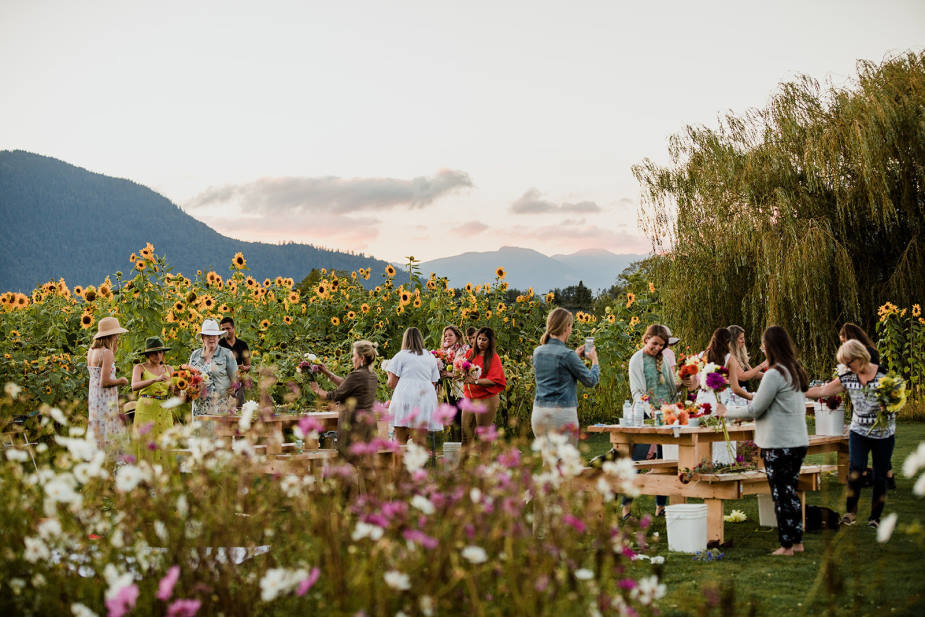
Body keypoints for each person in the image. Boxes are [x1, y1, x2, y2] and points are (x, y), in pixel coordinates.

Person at [717, 325, 810, 556]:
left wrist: (727, 412)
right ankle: (797, 541)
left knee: (780, 494)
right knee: (791, 492)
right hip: (798, 441)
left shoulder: (774, 374)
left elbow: (756, 409)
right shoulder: (794, 370)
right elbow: (774, 406)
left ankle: (786, 545)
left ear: (769, 347)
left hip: (779, 443)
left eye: (763, 345)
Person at [806, 340, 894, 528]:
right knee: (855, 469)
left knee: (880, 475)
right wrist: (797, 390)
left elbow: (895, 403)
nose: (846, 367)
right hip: (859, 431)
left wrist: (887, 406)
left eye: (848, 363)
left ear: (859, 357)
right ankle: (850, 513)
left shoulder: (883, 375)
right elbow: (823, 390)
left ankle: (874, 518)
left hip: (883, 434)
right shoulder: (848, 377)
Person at [531, 307, 600, 446]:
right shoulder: (567, 355)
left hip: (539, 412)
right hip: (561, 415)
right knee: (564, 462)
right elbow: (591, 381)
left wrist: (574, 356)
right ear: (566, 328)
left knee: (548, 461)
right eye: (571, 327)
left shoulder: (537, 352)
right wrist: (594, 360)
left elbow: (558, 371)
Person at [626, 324, 674, 518]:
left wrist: (684, 383)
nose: (657, 349)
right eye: (654, 344)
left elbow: (671, 388)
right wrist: (651, 411)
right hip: (645, 414)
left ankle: (661, 507)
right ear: (646, 339)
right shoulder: (637, 360)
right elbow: (638, 392)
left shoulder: (661, 360)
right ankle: (626, 508)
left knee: (664, 463)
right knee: (636, 460)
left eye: (661, 346)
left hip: (665, 415)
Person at [310, 340, 379, 461]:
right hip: (369, 428)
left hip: (353, 430)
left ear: (361, 358)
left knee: (348, 465)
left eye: (354, 356)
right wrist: (327, 373)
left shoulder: (356, 375)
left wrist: (317, 390)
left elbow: (334, 396)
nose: (352, 359)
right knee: (365, 467)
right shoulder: (372, 375)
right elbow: (346, 385)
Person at [386, 327, 441, 446]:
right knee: (420, 443)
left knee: (400, 441)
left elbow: (391, 383)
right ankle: (419, 463)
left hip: (404, 398)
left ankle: (400, 464)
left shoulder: (401, 356)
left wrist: (388, 372)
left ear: (405, 339)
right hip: (425, 399)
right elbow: (433, 382)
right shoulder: (430, 357)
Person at [86, 316, 129, 456]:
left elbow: (96, 376)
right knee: (109, 429)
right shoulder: (106, 353)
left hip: (94, 398)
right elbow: (104, 382)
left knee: (97, 428)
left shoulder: (91, 351)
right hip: (105, 399)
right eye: (116, 334)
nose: (117, 337)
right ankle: (111, 464)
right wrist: (120, 380)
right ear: (112, 335)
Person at [462, 327, 507, 447]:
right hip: (470, 397)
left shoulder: (493, 357)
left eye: (484, 339)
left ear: (490, 341)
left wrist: (475, 381)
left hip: (486, 398)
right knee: (465, 434)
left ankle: (485, 463)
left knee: (483, 436)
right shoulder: (470, 354)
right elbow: (465, 370)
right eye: (479, 339)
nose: (480, 342)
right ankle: (463, 464)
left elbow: (494, 380)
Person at [189, 319, 238, 416]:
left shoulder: (227, 354)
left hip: (220, 408)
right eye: (208, 335)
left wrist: (232, 393)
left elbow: (235, 380)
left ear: (218, 337)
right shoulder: (195, 355)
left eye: (214, 335)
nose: (211, 338)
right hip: (199, 409)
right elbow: (189, 378)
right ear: (203, 338)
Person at [131, 337, 174, 444]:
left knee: (165, 442)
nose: (158, 356)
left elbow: (174, 392)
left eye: (160, 352)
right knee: (146, 442)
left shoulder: (169, 369)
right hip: (146, 407)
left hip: (164, 407)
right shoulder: (140, 367)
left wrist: (176, 387)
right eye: (154, 353)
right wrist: (155, 379)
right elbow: (134, 386)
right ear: (148, 354)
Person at [438, 325, 467, 439]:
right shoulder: (444, 352)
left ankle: (461, 444)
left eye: (450, 335)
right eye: (445, 336)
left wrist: (448, 374)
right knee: (450, 420)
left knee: (459, 419)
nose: (447, 338)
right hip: (448, 390)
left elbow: (464, 372)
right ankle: (452, 442)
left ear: (457, 336)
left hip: (459, 390)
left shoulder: (463, 350)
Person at [726, 325, 768, 403]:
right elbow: (743, 376)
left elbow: (753, 373)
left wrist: (769, 375)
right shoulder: (729, 357)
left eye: (743, 338)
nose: (743, 341)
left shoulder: (740, 356)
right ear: (733, 341)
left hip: (743, 394)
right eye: (740, 338)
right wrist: (762, 365)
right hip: (734, 396)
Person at [219, 317, 250, 408]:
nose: (226, 331)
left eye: (228, 328)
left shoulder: (242, 344)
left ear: (233, 328)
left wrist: (244, 368)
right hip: (223, 385)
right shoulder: (219, 345)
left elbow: (248, 365)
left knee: (239, 410)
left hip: (238, 384)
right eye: (223, 329)